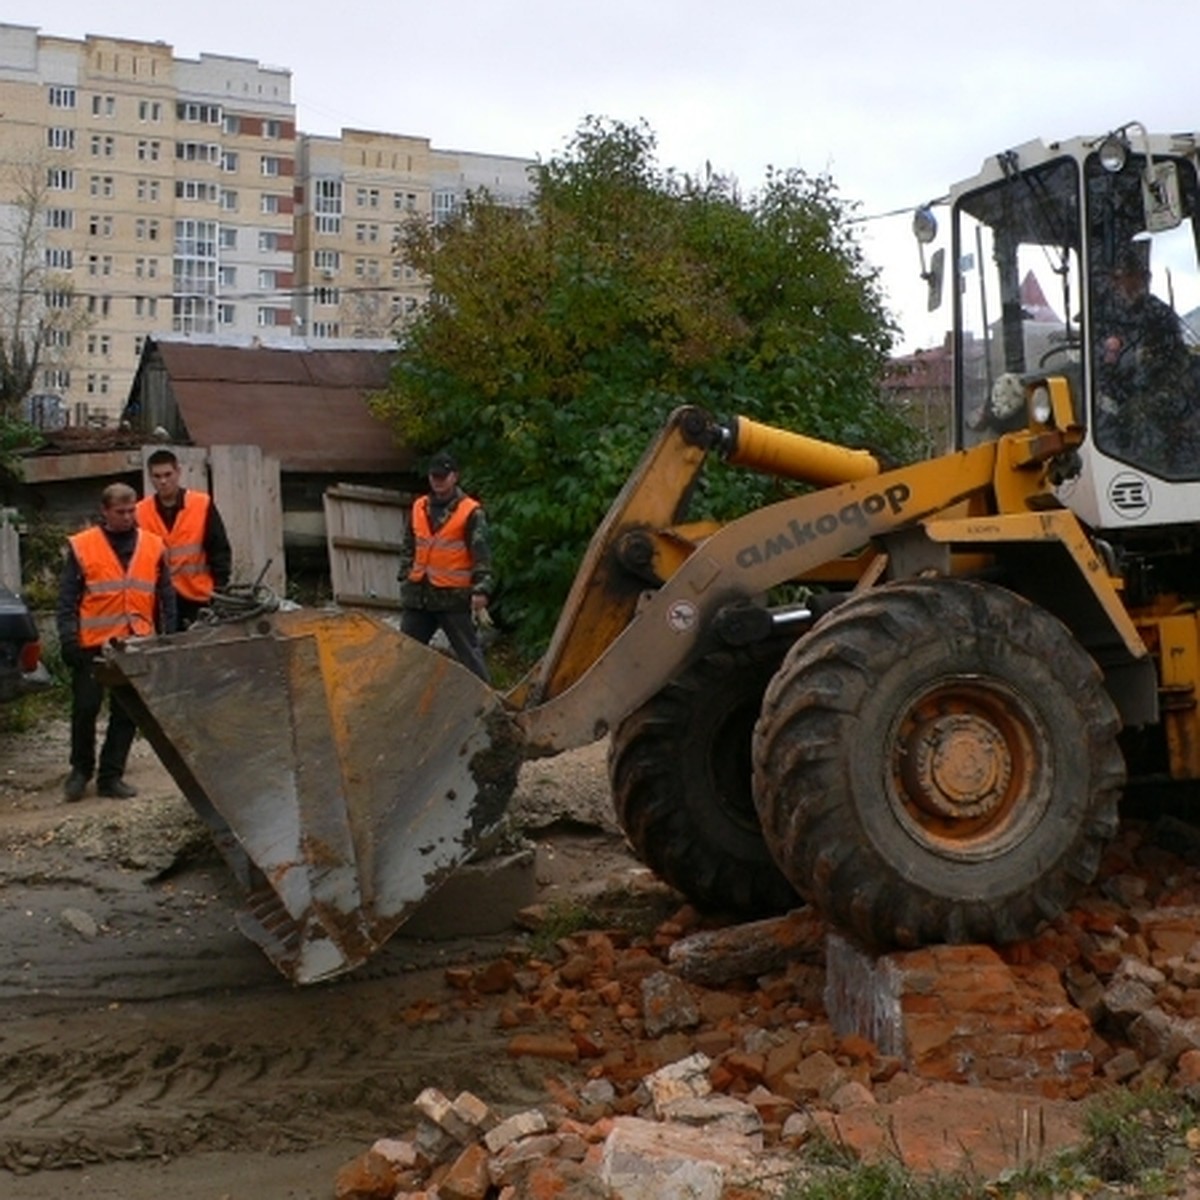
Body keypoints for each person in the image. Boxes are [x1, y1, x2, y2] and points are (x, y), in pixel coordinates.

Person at [57, 482, 177, 802]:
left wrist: (167, 638)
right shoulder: (84, 546)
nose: (127, 517)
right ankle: (80, 771)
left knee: (126, 714)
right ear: (105, 512)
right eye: (120, 512)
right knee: (85, 709)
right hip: (93, 645)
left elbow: (164, 598)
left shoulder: (153, 545)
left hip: (135, 643)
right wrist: (69, 638)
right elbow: (68, 598)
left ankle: (111, 776)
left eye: (131, 510)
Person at [397, 451, 493, 682]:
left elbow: (481, 553)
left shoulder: (470, 511)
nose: (438, 480)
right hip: (419, 596)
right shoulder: (419, 507)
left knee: (470, 656)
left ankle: (489, 705)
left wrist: (481, 588)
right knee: (403, 655)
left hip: (453, 597)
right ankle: (399, 702)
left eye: (443, 476)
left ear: (454, 477)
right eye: (434, 476)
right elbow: (409, 544)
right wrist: (406, 574)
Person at [135, 449, 232, 628]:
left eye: (167, 474)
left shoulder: (201, 504)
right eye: (157, 476)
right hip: (159, 600)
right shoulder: (140, 512)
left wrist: (219, 590)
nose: (163, 481)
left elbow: (219, 550)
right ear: (150, 477)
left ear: (178, 472)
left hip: (197, 596)